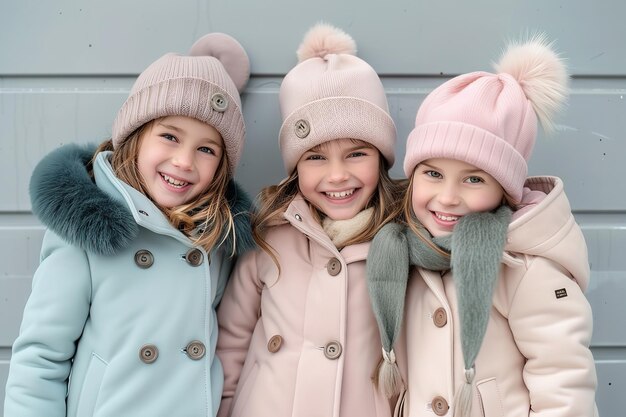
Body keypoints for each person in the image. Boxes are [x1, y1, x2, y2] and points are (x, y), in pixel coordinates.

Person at [4, 33, 254, 417]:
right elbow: (41, 357)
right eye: (169, 136)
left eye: (206, 149)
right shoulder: (86, 227)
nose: (184, 161)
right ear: (135, 138)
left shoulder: (215, 236)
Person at [366, 36, 599, 417]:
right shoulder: (402, 251)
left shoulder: (523, 267)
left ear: (503, 191)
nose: (447, 197)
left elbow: (563, 380)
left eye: (473, 180)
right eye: (433, 173)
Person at [215, 23, 405, 417]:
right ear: (295, 167)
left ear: (382, 158)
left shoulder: (402, 240)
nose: (336, 176)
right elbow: (232, 339)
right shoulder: (269, 236)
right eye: (316, 157)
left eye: (357, 154)